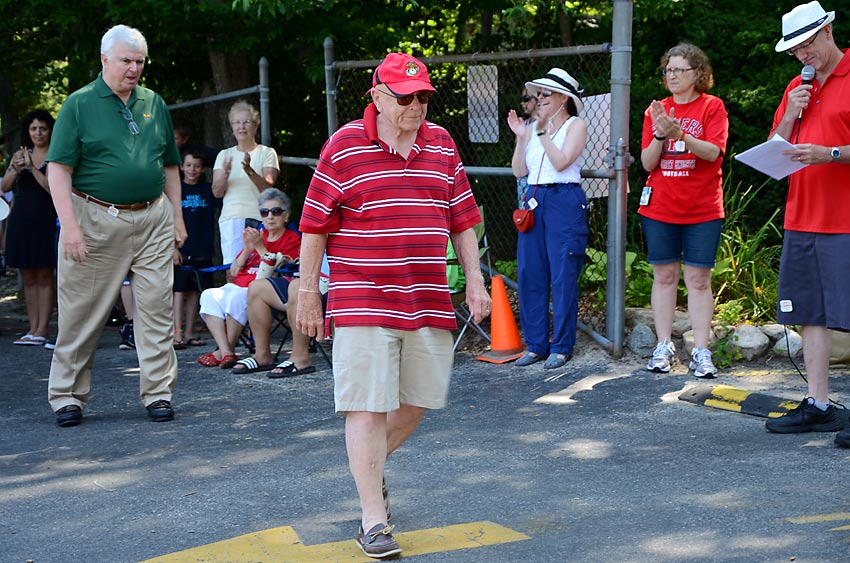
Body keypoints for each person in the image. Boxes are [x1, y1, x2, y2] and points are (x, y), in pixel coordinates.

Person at [296, 52, 490, 559]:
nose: (416, 105)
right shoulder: (343, 146)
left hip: (426, 295)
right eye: (405, 97)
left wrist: (475, 281)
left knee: (419, 401)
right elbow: (315, 224)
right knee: (366, 404)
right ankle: (373, 519)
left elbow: (464, 219)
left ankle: (370, 475)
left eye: (423, 95)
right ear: (377, 97)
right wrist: (308, 292)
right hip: (361, 293)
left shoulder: (443, 143)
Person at [45, 24, 187, 427]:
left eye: (140, 62)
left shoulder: (153, 101)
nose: (134, 68)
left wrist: (176, 215)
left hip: (153, 217)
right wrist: (69, 225)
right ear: (105, 58)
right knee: (80, 312)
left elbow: (171, 164)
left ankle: (158, 393)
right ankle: (66, 396)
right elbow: (58, 169)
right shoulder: (79, 103)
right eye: (126, 60)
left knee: (158, 310)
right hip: (94, 218)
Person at [763, 1, 850, 442]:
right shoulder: (796, 88)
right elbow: (774, 152)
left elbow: (832, 151)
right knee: (810, 314)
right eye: (794, 50)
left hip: (845, 220)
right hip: (802, 217)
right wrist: (792, 112)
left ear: (827, 32)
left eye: (805, 45)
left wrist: (829, 154)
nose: (802, 56)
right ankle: (819, 404)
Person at [638, 43, 729, 378]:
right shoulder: (656, 111)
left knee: (698, 280)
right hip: (660, 207)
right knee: (664, 276)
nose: (671, 76)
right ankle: (663, 346)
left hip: (703, 208)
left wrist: (682, 134)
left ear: (698, 74)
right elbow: (648, 163)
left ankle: (702, 351)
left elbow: (712, 153)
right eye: (668, 70)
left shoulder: (712, 107)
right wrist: (662, 133)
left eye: (679, 70)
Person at [506, 68, 589, 370]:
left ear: (563, 98)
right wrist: (521, 138)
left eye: (545, 94)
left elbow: (562, 161)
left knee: (563, 274)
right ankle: (536, 344)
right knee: (530, 272)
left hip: (563, 200)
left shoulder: (575, 124)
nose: (538, 99)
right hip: (533, 199)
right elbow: (518, 171)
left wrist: (541, 132)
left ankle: (562, 345)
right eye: (537, 93)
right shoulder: (530, 127)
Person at [197, 188, 299, 369]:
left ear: (286, 215)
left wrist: (260, 248)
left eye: (275, 211)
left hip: (261, 291)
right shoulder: (257, 236)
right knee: (208, 295)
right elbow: (235, 271)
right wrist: (246, 248)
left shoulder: (292, 239)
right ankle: (226, 350)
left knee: (236, 298)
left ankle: (222, 353)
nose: (270, 217)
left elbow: (280, 272)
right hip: (238, 284)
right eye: (264, 212)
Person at [1, 109, 58, 347]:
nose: (38, 133)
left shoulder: (56, 155)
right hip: (20, 219)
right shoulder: (20, 154)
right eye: (34, 128)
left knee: (44, 274)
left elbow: (52, 188)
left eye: (43, 128)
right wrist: (15, 168)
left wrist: (33, 168)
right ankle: (32, 328)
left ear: (50, 130)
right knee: (28, 275)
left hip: (45, 219)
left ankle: (43, 329)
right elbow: (4, 187)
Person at [233, 255, 330, 376]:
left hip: (336, 283)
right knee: (257, 287)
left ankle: (300, 357)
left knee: (298, 288)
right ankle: (262, 355)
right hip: (308, 277)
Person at [212, 101, 280, 263]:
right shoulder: (224, 155)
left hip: (262, 218)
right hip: (232, 218)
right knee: (233, 270)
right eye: (237, 122)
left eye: (246, 122)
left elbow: (268, 189)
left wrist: (249, 170)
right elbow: (216, 192)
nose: (241, 126)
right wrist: (226, 173)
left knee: (261, 269)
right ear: (232, 127)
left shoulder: (267, 153)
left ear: (255, 126)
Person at [173, 151, 219, 349]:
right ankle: (177, 334)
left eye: (197, 166)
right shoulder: (176, 191)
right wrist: (173, 247)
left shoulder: (208, 190)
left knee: (194, 292)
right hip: (181, 249)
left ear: (202, 169)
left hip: (202, 248)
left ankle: (190, 332)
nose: (192, 169)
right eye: (188, 165)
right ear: (182, 167)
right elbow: (168, 220)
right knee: (178, 290)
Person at [516, 87, 539, 208]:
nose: (522, 103)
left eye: (526, 99)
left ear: (537, 100)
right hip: (524, 182)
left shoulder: (548, 124)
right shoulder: (522, 125)